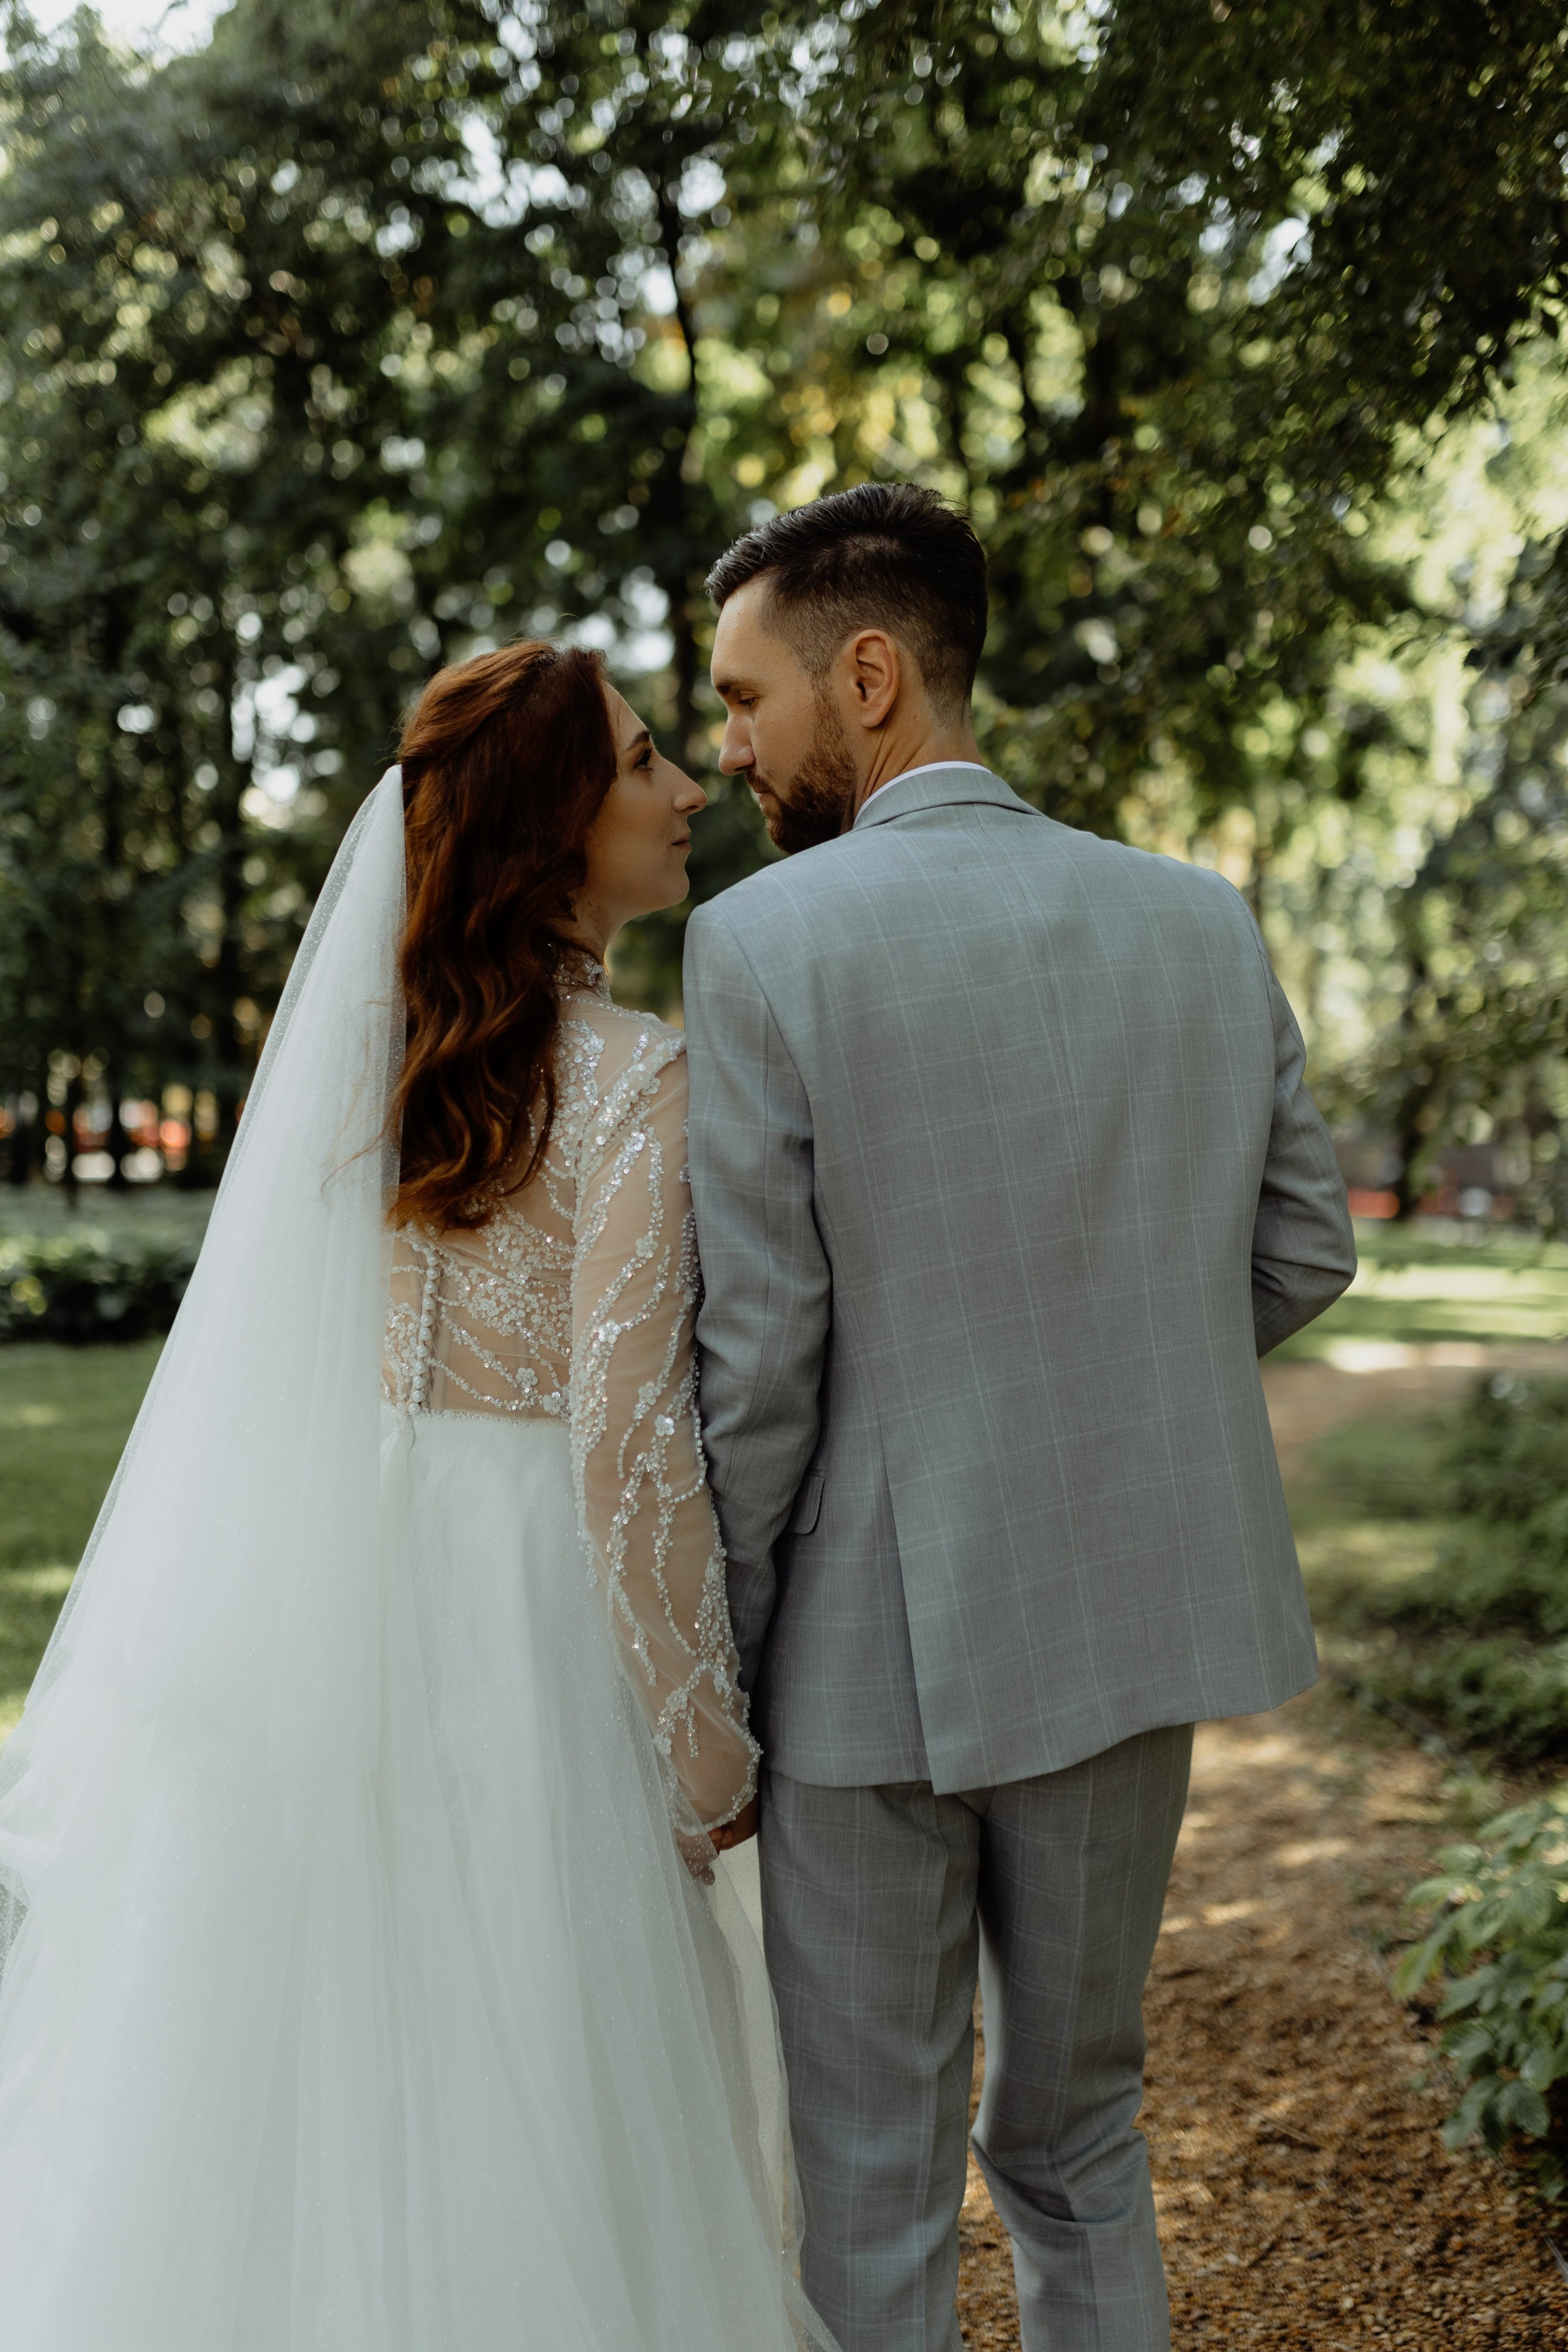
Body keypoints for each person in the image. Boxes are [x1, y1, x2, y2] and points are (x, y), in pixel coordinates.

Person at [0, 640, 834, 2352]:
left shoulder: (364, 1085)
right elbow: (625, 1448)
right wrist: (703, 1743)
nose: (689, 793)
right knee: (531, 2057)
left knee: (296, 2064)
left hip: (327, 1588)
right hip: (528, 1622)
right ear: (555, 824)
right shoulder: (633, 1081)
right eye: (645, 762)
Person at [681, 483, 1357, 2352]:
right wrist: (1122, 1369)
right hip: (1123, 1629)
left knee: (873, 2180)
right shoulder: (1199, 921)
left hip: (853, 1669)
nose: (727, 748)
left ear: (871, 676)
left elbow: (761, 1370)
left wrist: (711, 1672)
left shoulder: (762, 946)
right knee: (1080, 2137)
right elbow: (1304, 1250)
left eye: (746, 701)